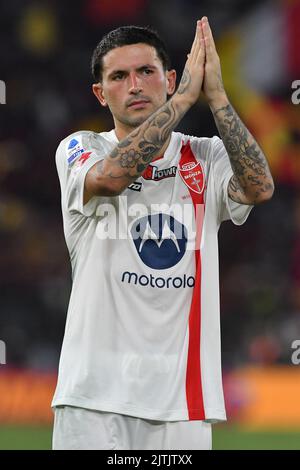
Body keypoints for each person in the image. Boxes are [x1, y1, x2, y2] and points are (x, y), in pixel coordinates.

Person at [51, 17, 274, 450]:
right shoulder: (81, 148)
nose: (134, 85)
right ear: (101, 93)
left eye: (146, 72)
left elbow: (259, 187)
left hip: (181, 403)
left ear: (170, 79)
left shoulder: (204, 156)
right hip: (93, 400)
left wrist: (219, 101)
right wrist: (186, 99)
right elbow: (112, 179)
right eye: (119, 76)